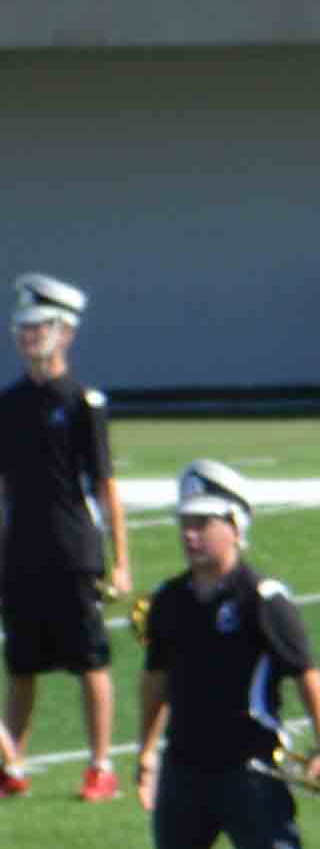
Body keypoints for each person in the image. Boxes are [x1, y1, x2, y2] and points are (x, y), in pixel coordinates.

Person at [95, 459, 320, 849]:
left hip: (250, 771)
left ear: (235, 524)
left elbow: (307, 673)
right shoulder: (171, 600)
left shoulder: (262, 597)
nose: (190, 533)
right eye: (185, 521)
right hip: (186, 766)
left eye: (204, 521)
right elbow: (156, 679)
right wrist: (146, 753)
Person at [2, 267, 130, 800]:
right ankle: (13, 766)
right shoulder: (7, 405)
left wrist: (120, 561)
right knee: (22, 667)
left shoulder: (82, 403)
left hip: (74, 551)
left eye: (42, 326)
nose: (31, 337)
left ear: (66, 332)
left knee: (89, 662)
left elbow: (105, 486)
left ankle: (101, 766)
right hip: (20, 554)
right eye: (25, 327)